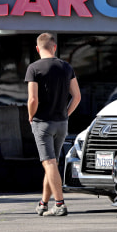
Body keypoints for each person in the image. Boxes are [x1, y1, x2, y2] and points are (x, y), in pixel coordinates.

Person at [25, 33, 81, 217]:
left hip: (42, 123)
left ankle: (60, 204)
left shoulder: (34, 68)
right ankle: (43, 203)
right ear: (54, 47)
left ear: (37, 48)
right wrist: (66, 114)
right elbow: (77, 96)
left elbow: (33, 98)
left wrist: (30, 116)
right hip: (61, 123)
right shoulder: (66, 67)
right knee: (53, 164)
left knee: (49, 163)